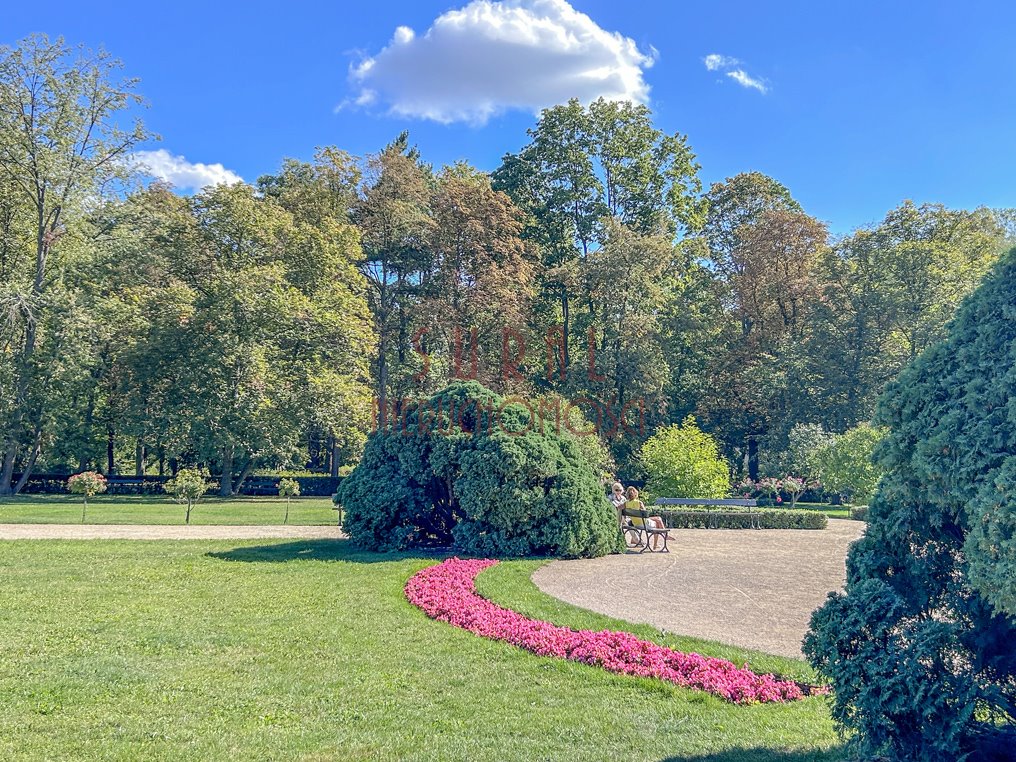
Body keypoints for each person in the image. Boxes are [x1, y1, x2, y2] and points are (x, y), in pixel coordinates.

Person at [624, 486, 667, 551]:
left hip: (636, 524)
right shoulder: (639, 503)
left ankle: (659, 541)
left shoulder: (626, 503)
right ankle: (660, 540)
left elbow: (619, 507)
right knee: (658, 521)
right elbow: (646, 515)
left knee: (658, 519)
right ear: (636, 493)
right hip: (644, 524)